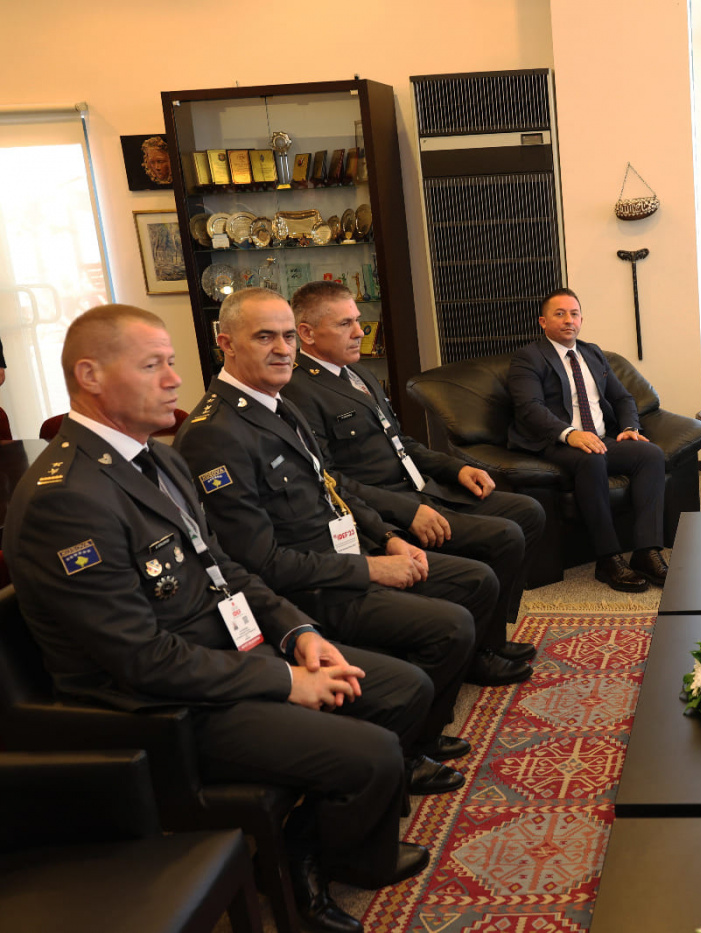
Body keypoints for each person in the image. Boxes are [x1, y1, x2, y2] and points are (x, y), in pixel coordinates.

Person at [4, 304, 436, 933]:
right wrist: (286, 681)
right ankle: (299, 865)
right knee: (371, 755)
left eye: (171, 362)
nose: (174, 378)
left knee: (402, 688)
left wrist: (297, 632)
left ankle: (328, 847)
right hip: (162, 707)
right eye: (152, 366)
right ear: (90, 376)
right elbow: (140, 658)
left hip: (227, 654)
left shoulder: (158, 459)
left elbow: (224, 568)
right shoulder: (67, 498)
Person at [175, 288, 532, 785]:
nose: (282, 349)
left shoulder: (276, 404)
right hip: (310, 589)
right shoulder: (215, 432)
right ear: (226, 344)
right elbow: (262, 563)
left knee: (475, 582)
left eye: (286, 337)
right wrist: (371, 567)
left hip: (343, 555)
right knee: (450, 625)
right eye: (264, 337)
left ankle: (420, 733)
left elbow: (331, 488)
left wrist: (387, 538)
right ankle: (403, 754)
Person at [282, 281, 546, 658]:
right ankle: (483, 652)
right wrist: (407, 512)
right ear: (307, 334)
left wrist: (456, 469)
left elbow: (400, 441)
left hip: (424, 489)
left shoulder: (357, 374)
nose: (360, 331)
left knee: (528, 511)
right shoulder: (298, 390)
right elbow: (331, 480)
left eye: (357, 320)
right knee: (505, 535)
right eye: (345, 324)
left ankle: (491, 632)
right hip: (388, 508)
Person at [506, 287, 668, 592]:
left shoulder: (592, 353)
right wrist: (571, 434)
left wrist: (630, 427)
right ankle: (608, 559)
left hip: (601, 439)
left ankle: (646, 551)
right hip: (556, 442)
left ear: (581, 319)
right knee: (591, 458)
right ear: (543, 321)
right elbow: (529, 409)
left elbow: (622, 398)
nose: (569, 320)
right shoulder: (528, 358)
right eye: (560, 314)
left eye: (574, 313)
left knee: (650, 454)